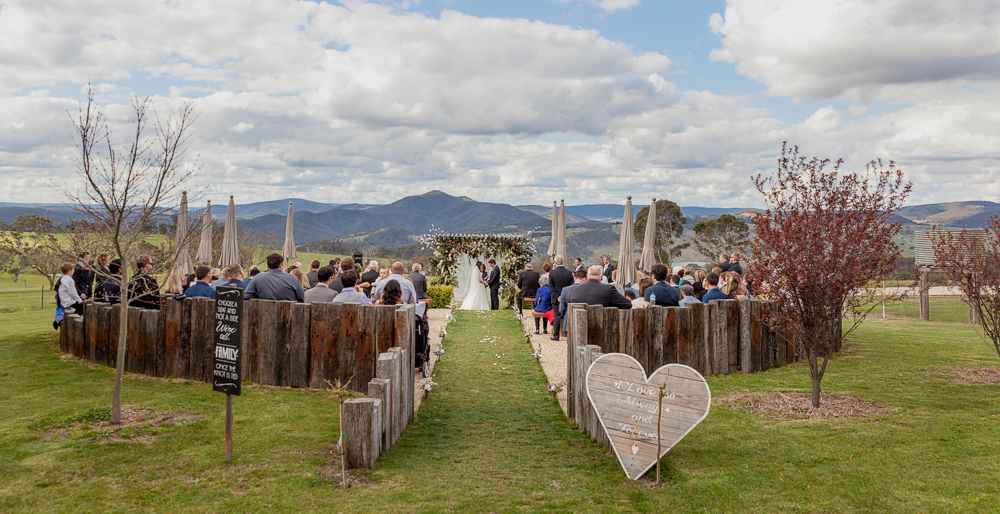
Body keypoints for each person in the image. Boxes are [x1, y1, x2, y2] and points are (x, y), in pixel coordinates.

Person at [568, 266, 633, 309]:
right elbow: (627, 304)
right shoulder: (608, 289)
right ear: (601, 277)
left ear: (587, 276)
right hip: (601, 326)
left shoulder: (575, 289)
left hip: (578, 326)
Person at [547, 255, 574, 341]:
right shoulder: (569, 273)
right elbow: (571, 286)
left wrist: (558, 296)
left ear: (555, 262)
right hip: (567, 298)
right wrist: (563, 296)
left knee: (556, 316)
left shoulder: (552, 273)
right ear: (564, 261)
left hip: (555, 298)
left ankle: (556, 335)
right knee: (567, 315)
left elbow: (551, 287)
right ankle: (567, 334)